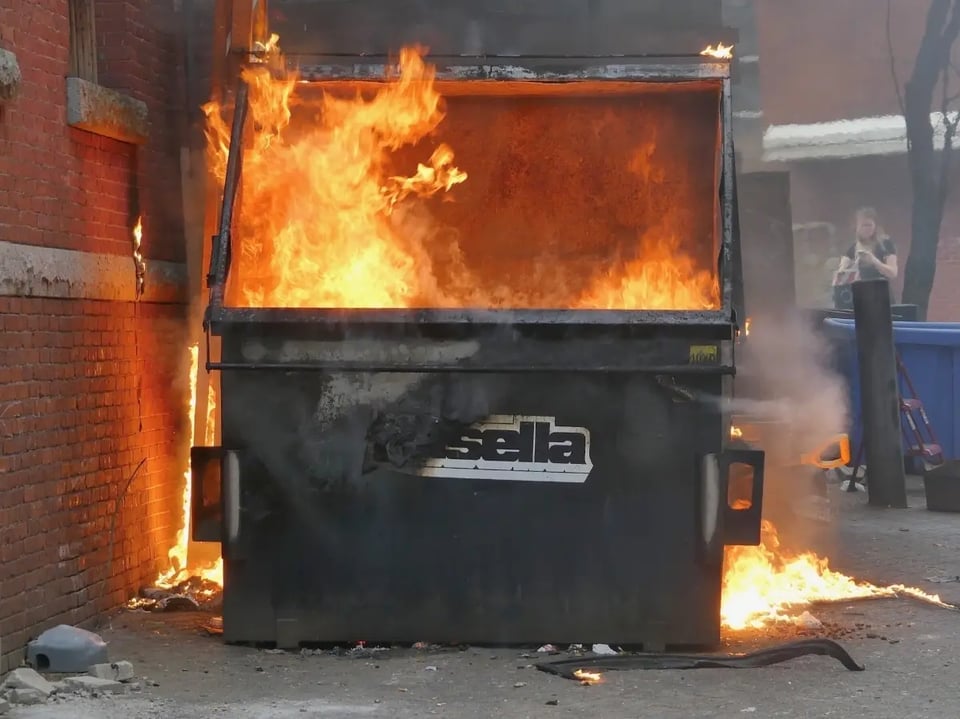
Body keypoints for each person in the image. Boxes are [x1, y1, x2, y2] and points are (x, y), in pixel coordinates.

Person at [831, 207, 898, 309]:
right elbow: (841, 275)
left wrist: (874, 261)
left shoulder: (885, 244)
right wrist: (843, 270)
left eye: (870, 225)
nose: (867, 229)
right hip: (861, 298)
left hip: (882, 297)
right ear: (856, 227)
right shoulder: (852, 249)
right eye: (863, 225)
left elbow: (893, 273)